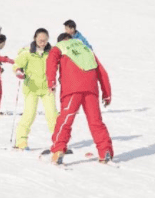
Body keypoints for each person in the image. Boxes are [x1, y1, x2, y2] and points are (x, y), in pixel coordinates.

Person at [46, 33, 113, 164]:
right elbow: (102, 72)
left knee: (65, 119)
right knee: (96, 122)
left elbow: (51, 61)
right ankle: (105, 151)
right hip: (91, 89)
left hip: (72, 88)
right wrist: (107, 94)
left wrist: (51, 81)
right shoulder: (86, 49)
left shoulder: (60, 47)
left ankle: (58, 150)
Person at [12, 28, 60, 149]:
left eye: (45, 40)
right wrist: (18, 71)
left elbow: (59, 65)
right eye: (40, 40)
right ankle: (21, 141)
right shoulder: (27, 52)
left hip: (47, 88)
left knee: (53, 116)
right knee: (29, 114)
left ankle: (59, 142)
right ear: (35, 38)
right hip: (31, 88)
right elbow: (17, 64)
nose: (42, 43)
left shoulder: (52, 52)